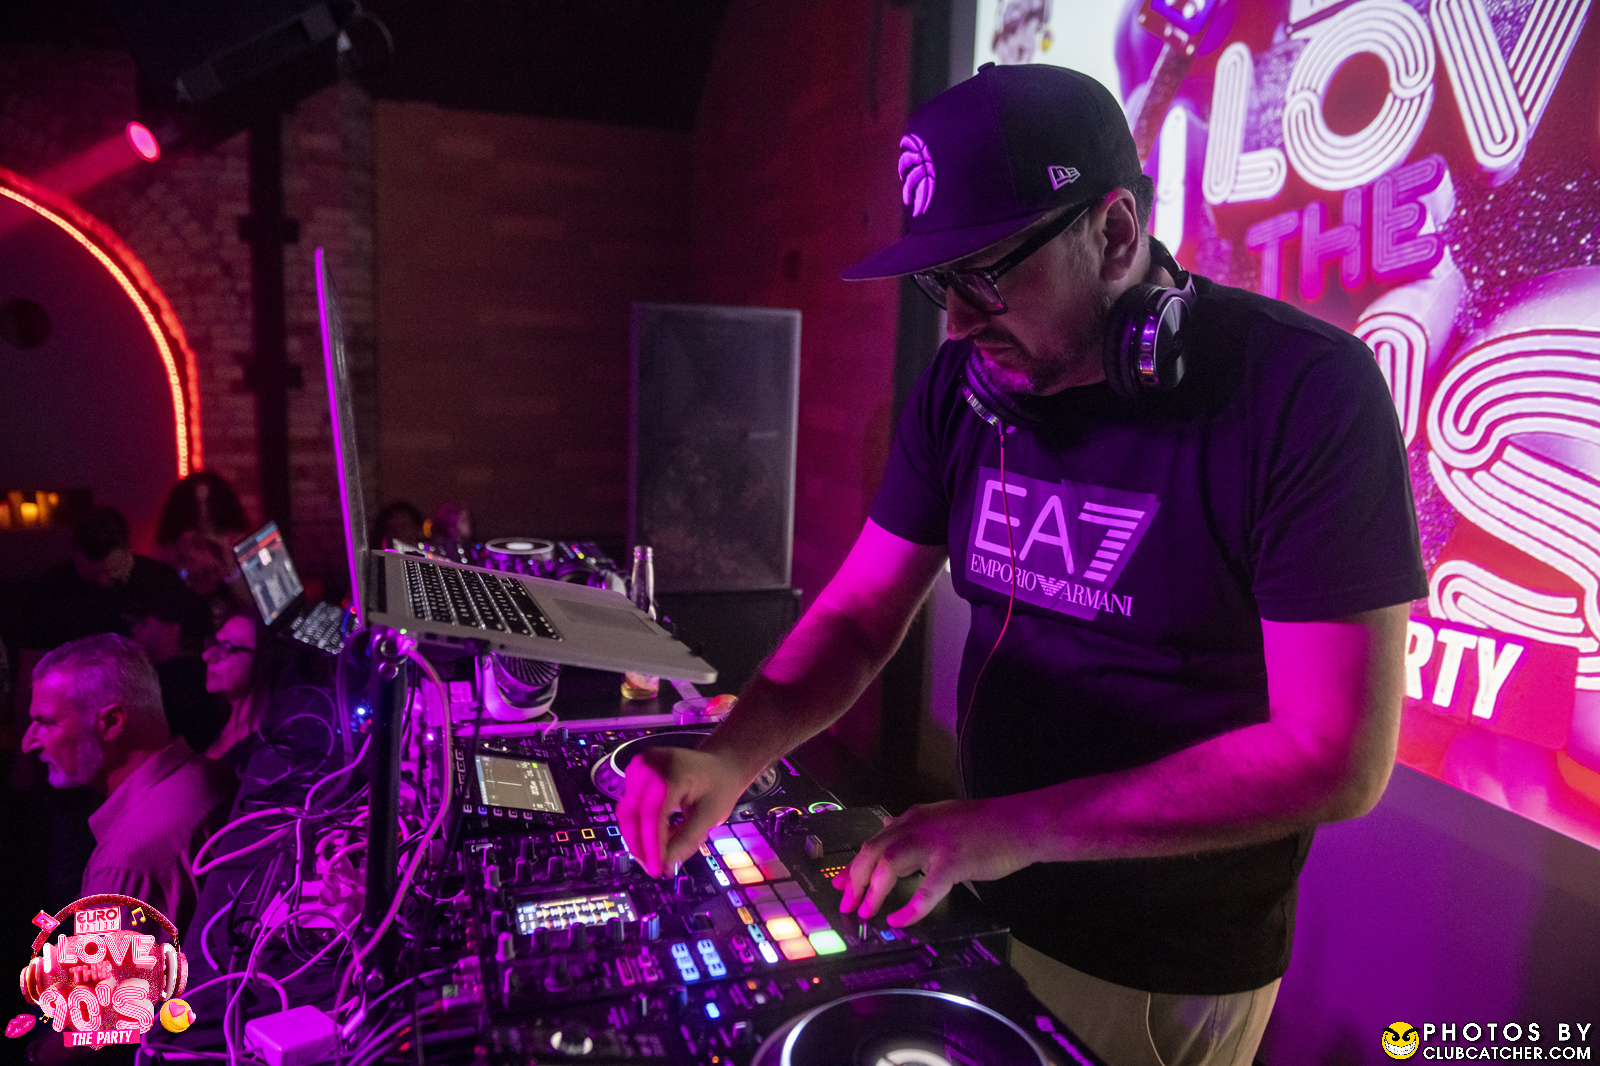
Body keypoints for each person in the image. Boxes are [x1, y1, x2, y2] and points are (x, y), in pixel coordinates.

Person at [618, 64, 1426, 1066]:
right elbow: (861, 615)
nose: (955, 323)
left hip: (1157, 968)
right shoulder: (965, 385)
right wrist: (732, 752)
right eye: (938, 283)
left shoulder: (1303, 393)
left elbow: (1334, 754)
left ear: (1115, 233)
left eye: (984, 275)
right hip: (978, 896)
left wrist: (1011, 828)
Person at [22, 633, 236, 931]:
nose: (28, 743)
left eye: (46, 722)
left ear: (112, 723)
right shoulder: (208, 775)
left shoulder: (120, 870)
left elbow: (105, 967)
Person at [18, 506, 193, 652]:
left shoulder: (161, 581)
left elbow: (183, 647)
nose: (102, 582)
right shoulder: (50, 590)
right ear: (74, 555)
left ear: (129, 549)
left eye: (111, 571)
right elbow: (33, 657)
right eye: (91, 574)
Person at [124, 583, 228, 754]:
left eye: (143, 623)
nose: (134, 630)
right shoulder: (204, 671)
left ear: (171, 631)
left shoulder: (166, 686)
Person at [152, 470, 254, 625]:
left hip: (234, 627)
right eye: (197, 504)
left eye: (209, 503)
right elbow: (162, 600)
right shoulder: (174, 542)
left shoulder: (237, 538)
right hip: (191, 625)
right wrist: (184, 560)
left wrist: (227, 560)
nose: (203, 511)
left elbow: (249, 605)